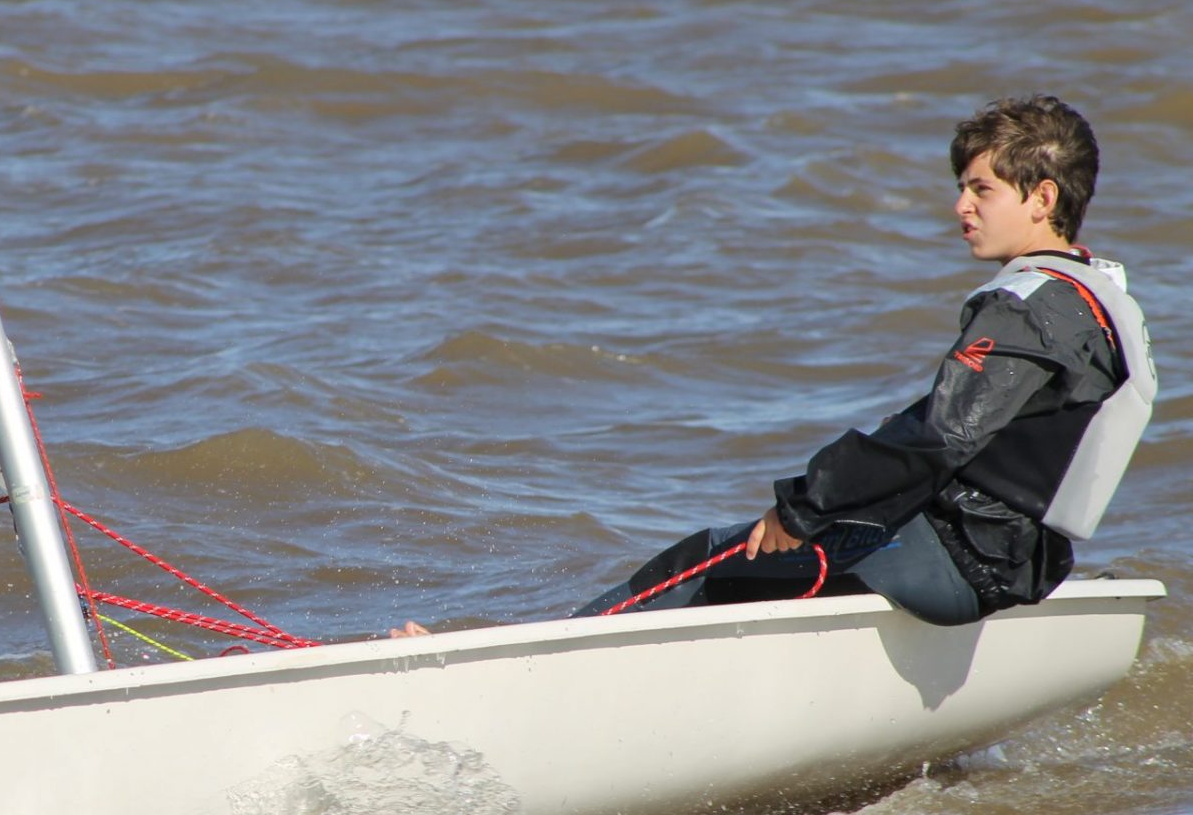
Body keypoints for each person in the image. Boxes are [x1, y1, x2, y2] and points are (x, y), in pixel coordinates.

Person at [393, 95, 1154, 637]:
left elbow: (937, 438)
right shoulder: (1098, 295)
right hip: (1022, 561)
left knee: (710, 561)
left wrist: (801, 509)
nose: (961, 206)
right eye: (960, 187)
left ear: (1042, 197)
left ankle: (530, 668)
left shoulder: (1025, 307)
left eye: (981, 189)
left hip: (964, 559)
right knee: (755, 569)